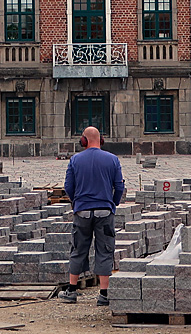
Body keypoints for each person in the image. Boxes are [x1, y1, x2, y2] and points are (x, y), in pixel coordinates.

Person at [58, 126, 125, 306]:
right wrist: (113, 203)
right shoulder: (112, 160)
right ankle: (103, 294)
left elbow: (68, 187)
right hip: (104, 211)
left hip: (82, 212)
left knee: (78, 248)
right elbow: (119, 187)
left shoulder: (75, 160)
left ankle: (71, 291)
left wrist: (76, 203)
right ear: (101, 140)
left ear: (84, 141)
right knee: (104, 250)